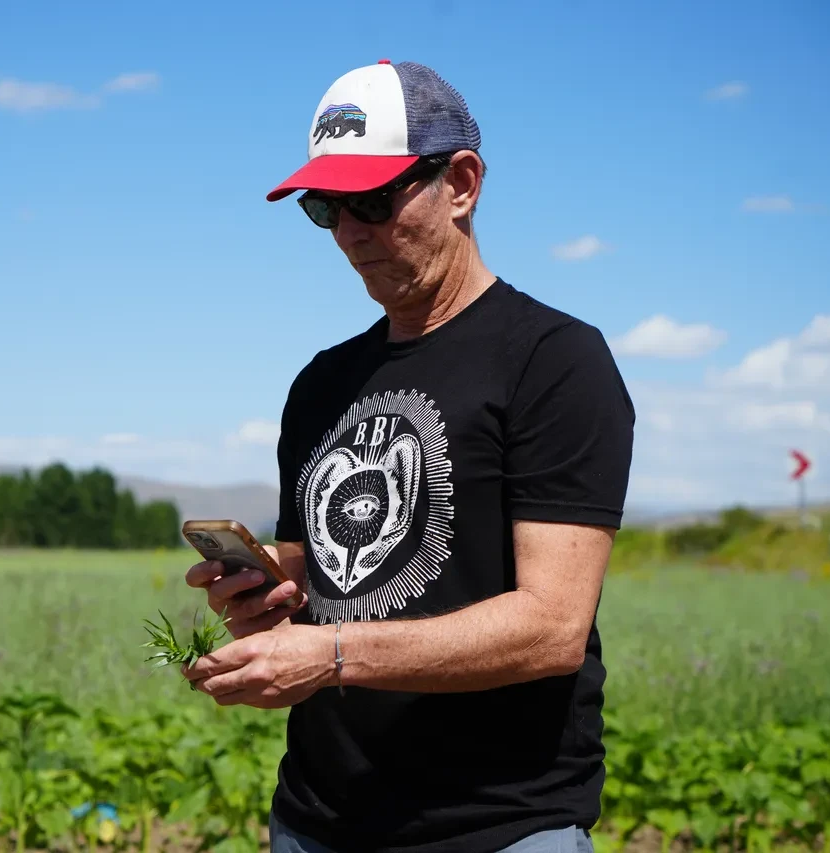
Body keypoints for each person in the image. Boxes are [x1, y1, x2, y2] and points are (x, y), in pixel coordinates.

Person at [183, 58, 635, 853]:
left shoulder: (554, 360)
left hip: (494, 828)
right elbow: (310, 577)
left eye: (372, 199)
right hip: (318, 822)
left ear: (461, 183)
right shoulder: (322, 382)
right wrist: (264, 600)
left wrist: (326, 654)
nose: (350, 233)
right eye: (325, 208)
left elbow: (551, 627)